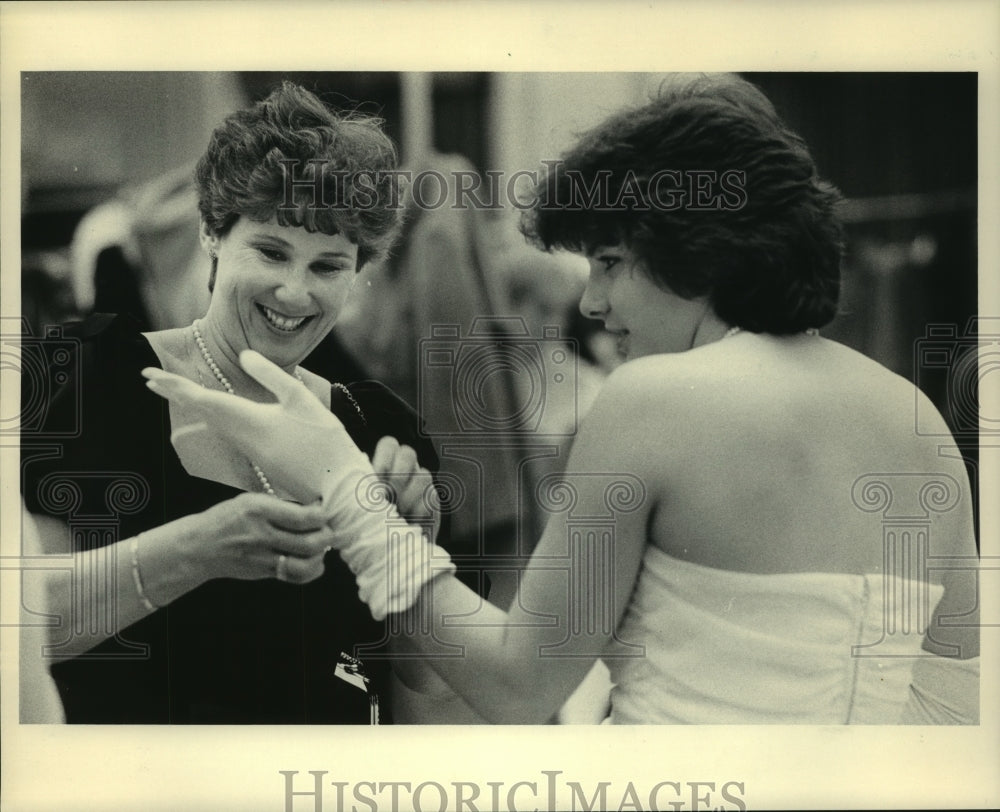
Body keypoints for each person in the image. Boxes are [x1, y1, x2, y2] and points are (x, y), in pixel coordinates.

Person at [142, 74, 980, 724]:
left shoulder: (653, 403)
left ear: (698, 253)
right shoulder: (916, 417)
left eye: (610, 260)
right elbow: (954, 705)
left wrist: (342, 484)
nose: (589, 301)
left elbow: (516, 684)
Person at [20, 81, 481, 724]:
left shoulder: (380, 430)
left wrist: (411, 555)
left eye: (328, 267)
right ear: (212, 232)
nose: (294, 292)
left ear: (360, 272)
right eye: (271, 252)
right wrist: (201, 548)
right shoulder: (90, 379)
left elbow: (418, 700)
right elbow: (22, 625)